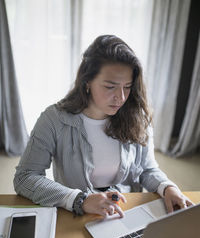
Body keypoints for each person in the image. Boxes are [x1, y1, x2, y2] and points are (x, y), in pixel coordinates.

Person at [14, 35, 193, 218]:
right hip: (75, 213)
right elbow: (25, 177)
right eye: (110, 86)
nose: (121, 97)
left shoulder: (136, 116)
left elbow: (147, 169)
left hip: (125, 211)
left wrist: (167, 187)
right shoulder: (54, 119)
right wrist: (79, 200)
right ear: (87, 82)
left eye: (127, 87)